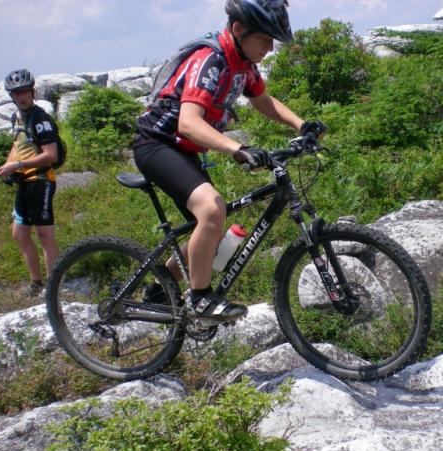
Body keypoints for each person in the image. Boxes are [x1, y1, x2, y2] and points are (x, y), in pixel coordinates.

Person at [133, 0, 326, 320]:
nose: (270, 46)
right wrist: (237, 148)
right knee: (212, 209)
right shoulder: (210, 60)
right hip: (156, 144)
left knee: (211, 229)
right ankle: (199, 299)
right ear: (238, 29)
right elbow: (188, 123)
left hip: (185, 149)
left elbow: (262, 99)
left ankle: (159, 289)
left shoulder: (244, 63)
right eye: (265, 38)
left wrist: (301, 125)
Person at [0, 68, 60, 297]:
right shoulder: (17, 117)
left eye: (24, 92)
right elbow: (18, 146)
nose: (21, 96)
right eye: (16, 93)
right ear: (11, 96)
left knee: (45, 235)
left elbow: (50, 155)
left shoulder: (40, 118)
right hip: (24, 182)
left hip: (41, 181)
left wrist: (18, 166)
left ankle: (53, 286)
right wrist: (8, 165)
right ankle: (36, 282)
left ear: (32, 92)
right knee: (19, 234)